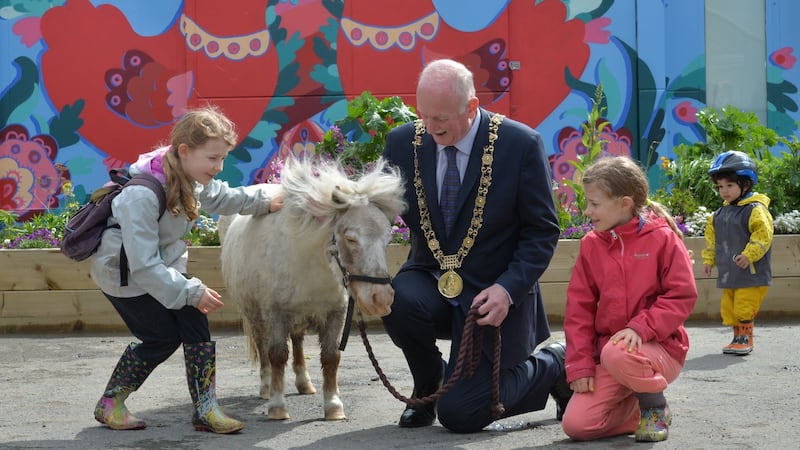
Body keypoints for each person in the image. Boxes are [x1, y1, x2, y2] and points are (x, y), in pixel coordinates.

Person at [380, 58, 570, 434]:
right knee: (395, 299)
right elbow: (375, 210)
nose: (431, 128)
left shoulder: (520, 143)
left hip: (494, 291)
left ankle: (555, 364)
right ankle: (428, 385)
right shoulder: (402, 142)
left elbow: (542, 231)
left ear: (471, 107)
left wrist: (508, 289)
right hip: (431, 278)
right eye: (425, 115)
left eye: (442, 119)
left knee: (462, 415)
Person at [91, 106, 284, 434]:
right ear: (184, 151)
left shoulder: (186, 176)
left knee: (194, 316)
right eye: (213, 158)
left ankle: (205, 409)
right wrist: (190, 291)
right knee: (162, 337)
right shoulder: (141, 194)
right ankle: (110, 402)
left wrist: (266, 200)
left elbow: (222, 198)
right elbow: (143, 265)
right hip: (124, 277)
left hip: (158, 269)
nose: (219, 166)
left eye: (223, 158)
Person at [561, 156, 697, 443]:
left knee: (617, 351)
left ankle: (654, 407)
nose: (588, 211)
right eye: (587, 202)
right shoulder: (591, 245)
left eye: (595, 204)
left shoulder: (663, 239)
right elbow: (579, 311)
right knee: (577, 426)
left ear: (624, 203)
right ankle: (637, 407)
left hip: (659, 350)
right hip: (611, 356)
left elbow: (681, 295)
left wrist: (639, 328)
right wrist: (581, 364)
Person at [702, 150, 773, 355]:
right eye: (720, 186)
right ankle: (737, 338)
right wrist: (709, 260)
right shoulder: (719, 214)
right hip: (730, 272)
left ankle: (745, 339)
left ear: (746, 184)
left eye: (729, 185)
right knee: (730, 308)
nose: (724, 191)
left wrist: (749, 254)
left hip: (750, 273)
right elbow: (711, 240)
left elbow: (763, 234)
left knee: (744, 306)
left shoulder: (755, 209)